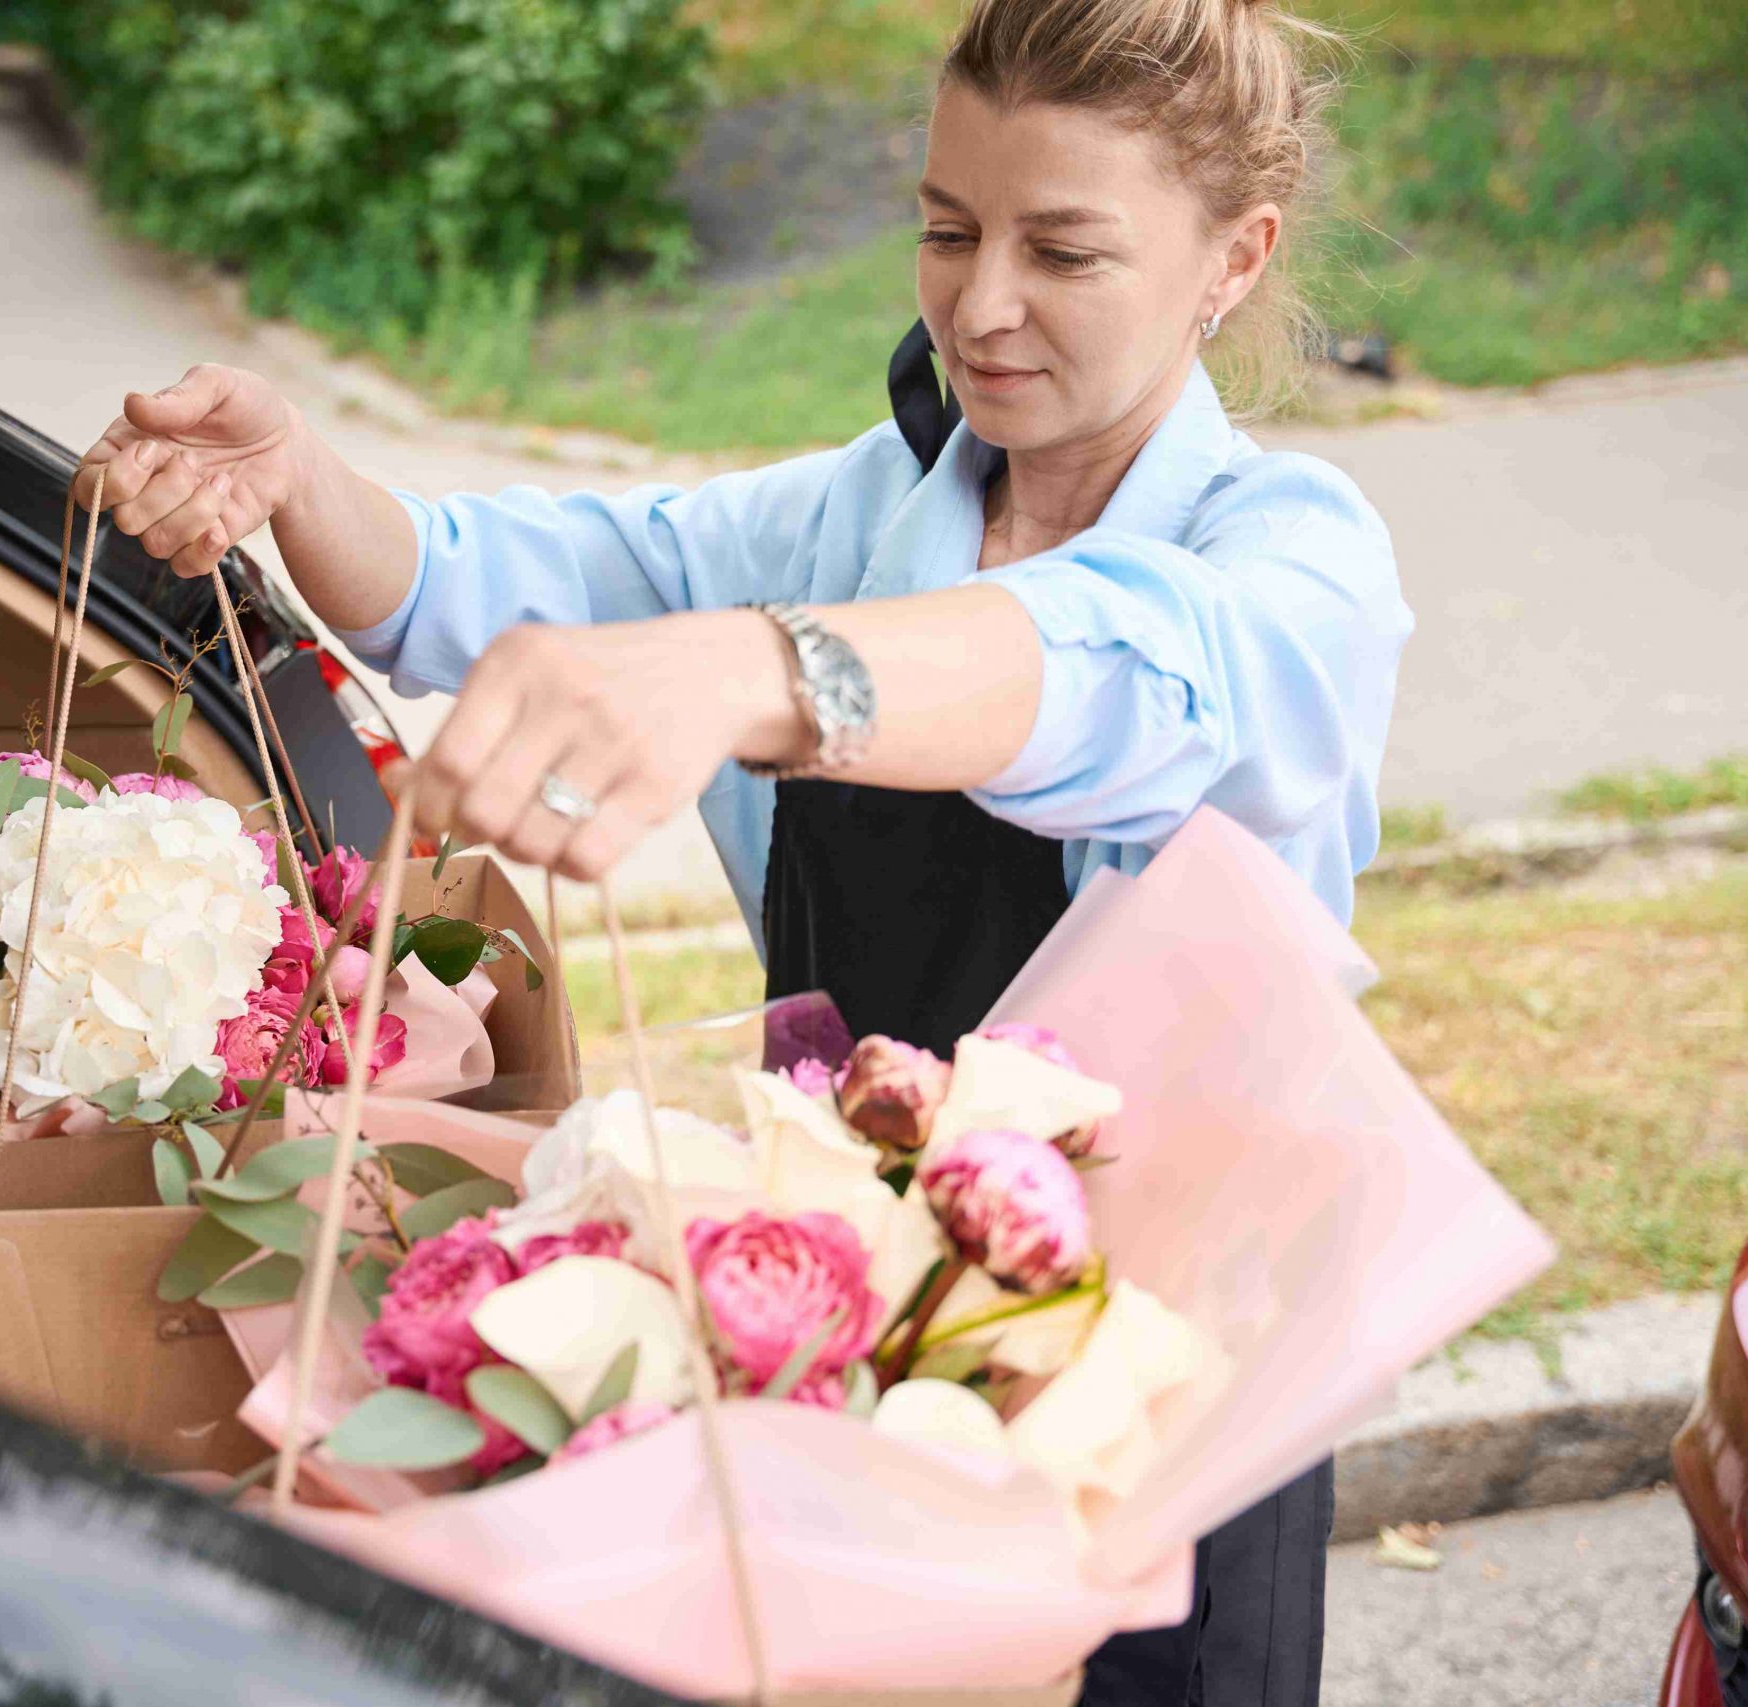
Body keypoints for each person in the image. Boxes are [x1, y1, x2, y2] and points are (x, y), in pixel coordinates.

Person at [80, 0, 1406, 1696]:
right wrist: (296, 471)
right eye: (947, 229)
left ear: (1236, 258)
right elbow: (478, 580)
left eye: (1064, 251)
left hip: (1163, 1387)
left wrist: (767, 668)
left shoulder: (1295, 563)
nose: (981, 305)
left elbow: (1128, 664)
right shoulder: (860, 512)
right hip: (852, 1351)